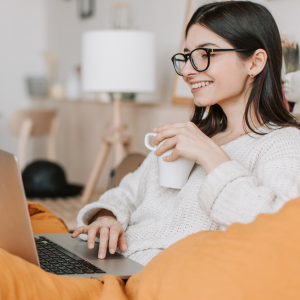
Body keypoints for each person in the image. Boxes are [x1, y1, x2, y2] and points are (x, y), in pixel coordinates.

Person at [72, 1, 300, 266]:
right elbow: (127, 192)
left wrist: (212, 158)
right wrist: (107, 217)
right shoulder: (193, 133)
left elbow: (281, 230)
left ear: (255, 62)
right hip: (112, 260)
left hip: (155, 278)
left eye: (206, 54)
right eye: (188, 56)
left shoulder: (284, 144)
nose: (189, 70)